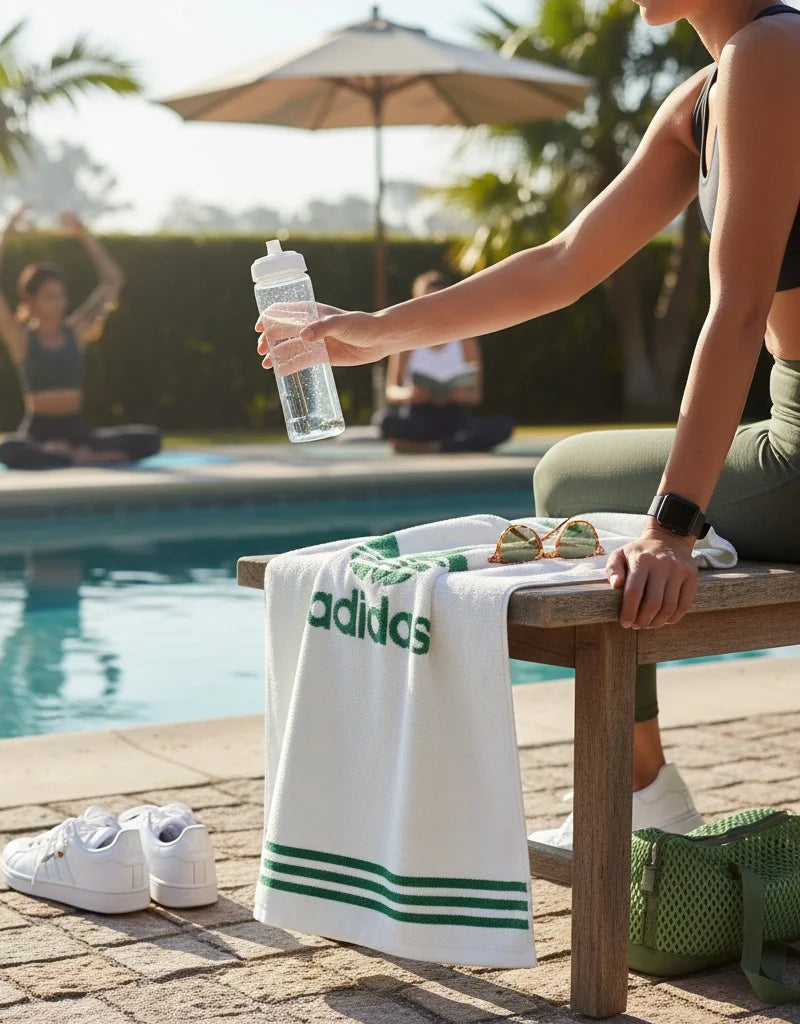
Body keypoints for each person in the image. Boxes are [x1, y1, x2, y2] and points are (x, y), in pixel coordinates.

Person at [257, 1, 800, 849]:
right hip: (789, 422)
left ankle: (646, 787)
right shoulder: (710, 89)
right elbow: (563, 263)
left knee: (574, 484)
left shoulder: (772, 54)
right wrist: (368, 331)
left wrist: (673, 527)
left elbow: (735, 312)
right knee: (570, 475)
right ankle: (644, 787)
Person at [0, 206, 161, 469]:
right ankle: (78, 457)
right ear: (31, 301)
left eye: (61, 296)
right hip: (37, 431)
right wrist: (3, 235)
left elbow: (112, 281)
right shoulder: (21, 339)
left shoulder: (76, 331)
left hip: (76, 429)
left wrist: (84, 236)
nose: (59, 304)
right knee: (5, 449)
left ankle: (66, 456)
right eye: (50, 297)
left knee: (149, 439)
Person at [378, 270, 515, 452]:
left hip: (454, 419)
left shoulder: (466, 342)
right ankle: (452, 445)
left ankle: (432, 447)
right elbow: (391, 391)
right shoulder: (405, 342)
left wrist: (457, 395)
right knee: (384, 421)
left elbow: (476, 396)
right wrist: (411, 394)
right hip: (418, 417)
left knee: (503, 426)